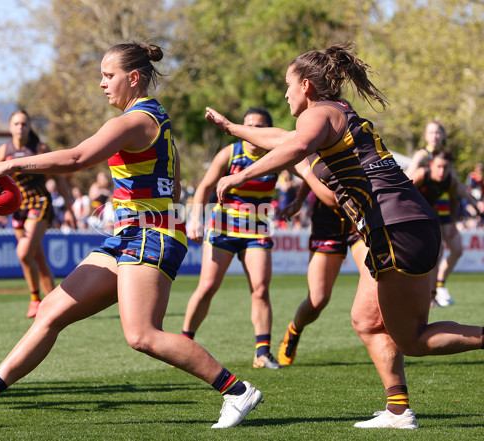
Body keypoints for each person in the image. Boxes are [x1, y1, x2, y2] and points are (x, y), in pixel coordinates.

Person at [0, 41, 262, 429]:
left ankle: (237, 391)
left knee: (142, 335)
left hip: (149, 235)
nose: (103, 84)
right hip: (134, 234)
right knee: (52, 309)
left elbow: (76, 158)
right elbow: (168, 187)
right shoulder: (153, 117)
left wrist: (7, 165)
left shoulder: (134, 121)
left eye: (109, 76)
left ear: (134, 77)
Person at [206, 41, 484, 429]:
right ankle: (399, 411)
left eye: (288, 84)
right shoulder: (333, 113)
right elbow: (288, 139)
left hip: (393, 228)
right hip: (407, 224)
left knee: (412, 340)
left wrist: (239, 175)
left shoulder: (318, 115)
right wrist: (235, 129)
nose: (284, 93)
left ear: (306, 85)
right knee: (366, 320)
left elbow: (297, 145)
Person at [182, 107, 282, 369]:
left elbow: (308, 171)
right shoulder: (230, 153)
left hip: (257, 230)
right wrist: (195, 219)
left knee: (260, 289)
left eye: (260, 127)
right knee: (207, 287)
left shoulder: (278, 154)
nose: (252, 131)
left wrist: (306, 194)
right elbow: (203, 188)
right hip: (223, 228)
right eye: (248, 125)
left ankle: (262, 352)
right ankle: (184, 344)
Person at [277, 158, 366, 366]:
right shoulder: (318, 142)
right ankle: (294, 330)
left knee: (376, 282)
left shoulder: (357, 139)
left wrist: (306, 173)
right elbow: (333, 199)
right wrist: (299, 200)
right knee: (317, 301)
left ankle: (387, 338)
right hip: (327, 227)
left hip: (360, 223)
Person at [0, 110, 76, 317]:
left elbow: (59, 180)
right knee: (37, 257)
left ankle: (35, 299)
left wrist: (69, 209)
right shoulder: (4, 151)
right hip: (18, 208)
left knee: (23, 253)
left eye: (24, 124)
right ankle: (54, 304)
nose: (20, 127)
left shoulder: (40, 148)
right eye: (16, 124)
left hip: (39, 202)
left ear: (29, 126)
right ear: (10, 127)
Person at [411, 149, 484, 306]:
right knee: (436, 253)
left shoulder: (450, 181)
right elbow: (402, 192)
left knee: (456, 249)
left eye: (446, 167)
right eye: (439, 166)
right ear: (431, 164)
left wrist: (451, 223)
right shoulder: (420, 175)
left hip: (439, 213)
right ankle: (430, 294)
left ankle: (438, 287)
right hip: (418, 215)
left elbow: (453, 201)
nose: (442, 171)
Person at [405, 121, 458, 306]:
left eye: (438, 132)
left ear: (442, 135)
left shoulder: (445, 157)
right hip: (423, 207)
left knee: (453, 248)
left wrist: (473, 204)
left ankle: (438, 287)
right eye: (431, 132)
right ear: (426, 136)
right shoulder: (422, 156)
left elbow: (455, 185)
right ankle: (431, 291)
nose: (435, 136)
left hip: (441, 205)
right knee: (436, 251)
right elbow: (408, 179)